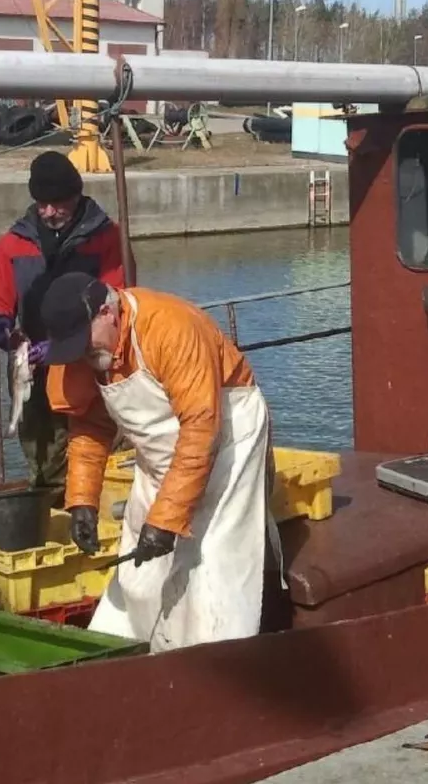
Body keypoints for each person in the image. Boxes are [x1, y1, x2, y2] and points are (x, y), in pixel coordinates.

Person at [38, 271, 274, 652]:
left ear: (107, 312)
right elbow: (88, 423)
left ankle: (216, 664)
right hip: (159, 453)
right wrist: (81, 501)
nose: (81, 355)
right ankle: (131, 656)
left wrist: (166, 521)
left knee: (211, 566)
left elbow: (200, 429)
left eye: (84, 343)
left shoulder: (170, 327)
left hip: (227, 442)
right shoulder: (86, 350)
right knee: (138, 572)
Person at [0, 151, 128, 503]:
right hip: (33, 366)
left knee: (96, 443)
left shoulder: (106, 239)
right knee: (42, 455)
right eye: (42, 204)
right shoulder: (13, 244)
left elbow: (116, 299)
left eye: (57, 204)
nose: (48, 212)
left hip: (88, 363)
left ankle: (97, 510)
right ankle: (53, 508)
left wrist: (79, 340)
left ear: (75, 196)